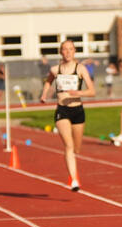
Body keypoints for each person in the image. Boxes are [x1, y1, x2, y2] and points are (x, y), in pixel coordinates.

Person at [39, 40, 95, 191]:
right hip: (62, 110)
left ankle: (74, 171)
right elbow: (48, 81)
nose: (68, 52)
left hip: (77, 111)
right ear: (61, 52)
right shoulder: (55, 69)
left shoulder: (81, 69)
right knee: (68, 146)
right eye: (65, 49)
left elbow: (92, 91)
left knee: (76, 149)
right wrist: (44, 94)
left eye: (71, 49)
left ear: (74, 51)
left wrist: (79, 93)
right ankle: (74, 180)